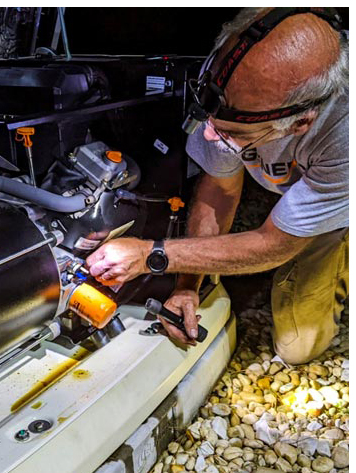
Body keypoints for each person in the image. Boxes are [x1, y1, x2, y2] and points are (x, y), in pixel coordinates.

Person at [86, 7, 348, 365]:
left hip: (336, 190)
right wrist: (186, 287)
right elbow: (220, 190)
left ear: (302, 122)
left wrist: (151, 255)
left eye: (230, 132)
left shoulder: (343, 134)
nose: (209, 135)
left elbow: (275, 243)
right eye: (209, 119)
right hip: (298, 172)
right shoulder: (229, 72)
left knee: (298, 347)